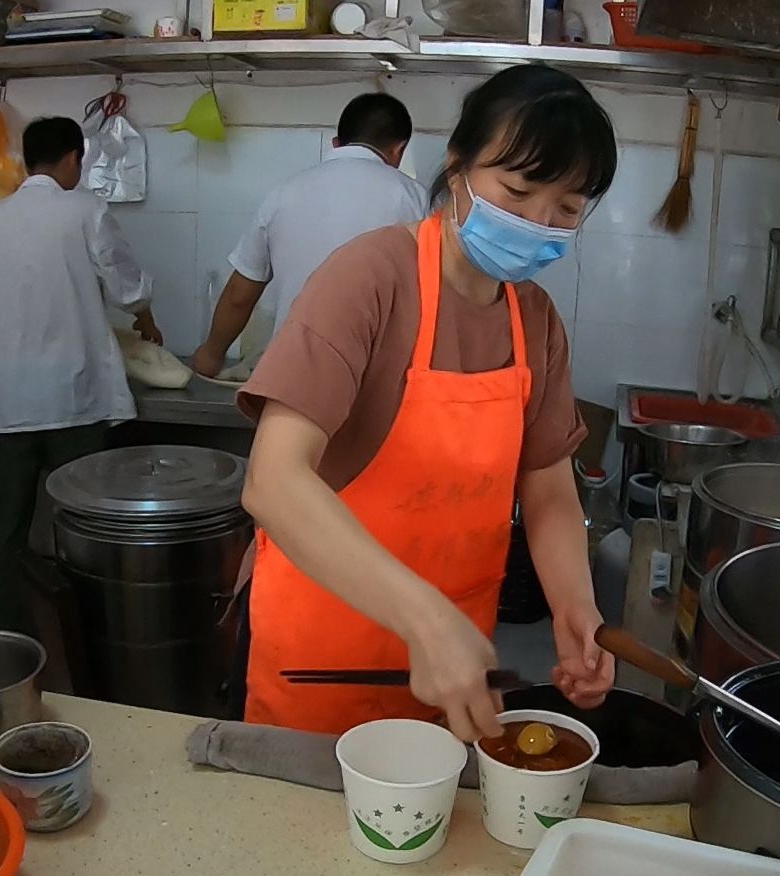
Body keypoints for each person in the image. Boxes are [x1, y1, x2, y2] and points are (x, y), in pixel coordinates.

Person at [237, 65, 619, 742]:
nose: (537, 222)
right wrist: (424, 618)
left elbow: (548, 486)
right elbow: (273, 480)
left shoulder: (534, 319)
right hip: (325, 654)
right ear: (457, 165)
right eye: (518, 190)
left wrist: (575, 608)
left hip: (454, 667)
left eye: (565, 209)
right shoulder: (368, 278)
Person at [0, 116, 159, 631]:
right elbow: (126, 286)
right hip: (75, 399)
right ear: (74, 158)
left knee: (6, 531)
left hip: (8, 404)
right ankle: (90, 629)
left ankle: (12, 632)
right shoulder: (85, 210)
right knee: (84, 523)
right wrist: (145, 315)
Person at [189, 92, 430, 378]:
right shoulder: (414, 198)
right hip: (377, 377)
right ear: (398, 151)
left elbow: (240, 296)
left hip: (293, 374)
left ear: (336, 144)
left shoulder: (284, 193)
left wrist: (211, 354)